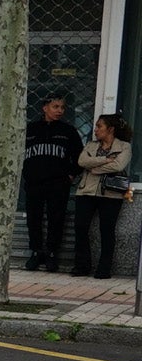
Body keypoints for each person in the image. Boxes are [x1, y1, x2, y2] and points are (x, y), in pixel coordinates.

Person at [23, 95, 81, 270]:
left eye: (62, 107)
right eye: (55, 107)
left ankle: (52, 253)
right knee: (34, 217)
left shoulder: (68, 131)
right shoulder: (31, 129)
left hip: (58, 183)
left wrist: (71, 174)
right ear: (45, 108)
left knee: (56, 218)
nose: (59, 111)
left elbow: (80, 157)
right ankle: (36, 251)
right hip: (34, 182)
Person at [72, 112, 131, 278]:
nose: (96, 130)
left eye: (99, 126)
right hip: (86, 191)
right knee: (80, 227)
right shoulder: (91, 145)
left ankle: (104, 268)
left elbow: (118, 166)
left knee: (107, 230)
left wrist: (95, 168)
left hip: (111, 194)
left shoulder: (124, 146)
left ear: (110, 129)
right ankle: (82, 266)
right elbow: (82, 161)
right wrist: (105, 160)